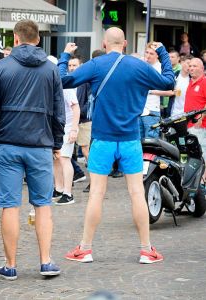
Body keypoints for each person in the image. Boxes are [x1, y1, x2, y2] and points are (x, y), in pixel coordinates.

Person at [57, 27, 174, 264]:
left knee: (97, 194)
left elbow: (63, 80)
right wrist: (161, 53)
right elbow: (168, 82)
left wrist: (65, 56)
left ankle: (86, 249)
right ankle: (146, 250)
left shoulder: (97, 64)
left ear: (104, 42)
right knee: (136, 193)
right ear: (126, 43)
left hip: (102, 138)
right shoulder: (139, 65)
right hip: (130, 139)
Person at [0, 19, 65, 280]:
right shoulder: (51, 70)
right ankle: (46, 262)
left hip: (9, 144)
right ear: (38, 40)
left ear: (15, 39)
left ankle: (10, 265)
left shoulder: (2, 68)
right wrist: (57, 143)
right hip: (39, 144)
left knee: (10, 206)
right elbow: (59, 112)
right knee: (43, 205)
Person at [52, 88, 79, 205]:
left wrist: (74, 129)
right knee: (56, 159)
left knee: (64, 159)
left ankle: (68, 194)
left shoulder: (66, 88)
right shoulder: (50, 85)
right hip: (56, 128)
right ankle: (59, 189)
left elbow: (76, 108)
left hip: (67, 128)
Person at [184, 58, 206, 179]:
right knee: (194, 155)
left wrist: (201, 118)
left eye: (195, 66)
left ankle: (202, 183)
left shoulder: (204, 82)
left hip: (200, 126)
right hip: (190, 125)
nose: (191, 68)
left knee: (202, 154)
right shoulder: (191, 82)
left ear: (202, 68)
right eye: (190, 66)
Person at [139, 42, 163, 138]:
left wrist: (150, 91)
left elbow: (170, 92)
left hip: (152, 111)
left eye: (151, 53)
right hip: (139, 110)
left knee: (151, 145)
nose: (148, 55)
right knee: (138, 143)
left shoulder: (161, 68)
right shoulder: (142, 65)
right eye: (146, 52)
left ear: (157, 55)